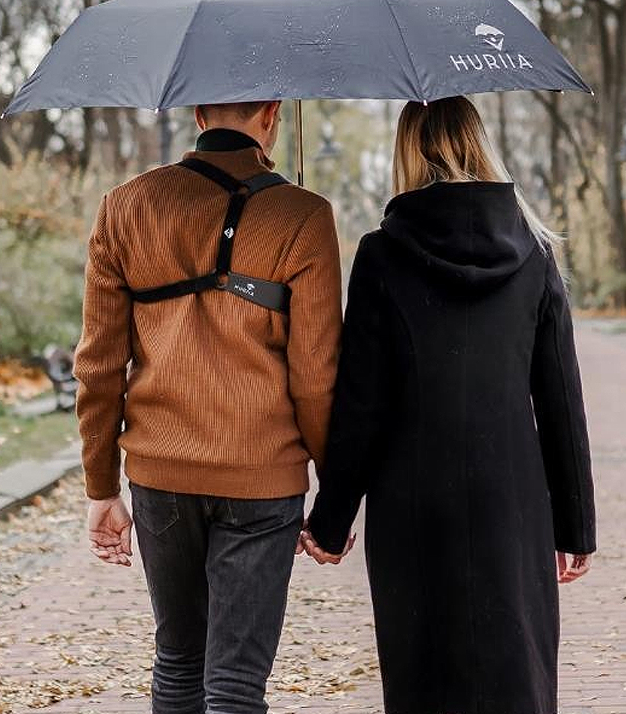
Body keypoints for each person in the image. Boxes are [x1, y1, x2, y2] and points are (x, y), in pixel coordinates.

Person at [301, 95, 597, 714]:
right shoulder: (534, 254)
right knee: (517, 673)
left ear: (406, 151)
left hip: (413, 500)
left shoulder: (381, 255)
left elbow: (362, 403)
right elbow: (561, 400)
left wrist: (330, 520)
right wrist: (575, 525)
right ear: (480, 143)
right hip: (511, 497)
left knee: (423, 677)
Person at [74, 100, 342, 714]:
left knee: (178, 661)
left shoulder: (126, 206)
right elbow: (316, 378)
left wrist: (100, 487)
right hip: (263, 477)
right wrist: (334, 491)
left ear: (197, 113)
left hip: (160, 472)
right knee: (237, 685)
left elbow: (98, 364)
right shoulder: (304, 214)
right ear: (273, 114)